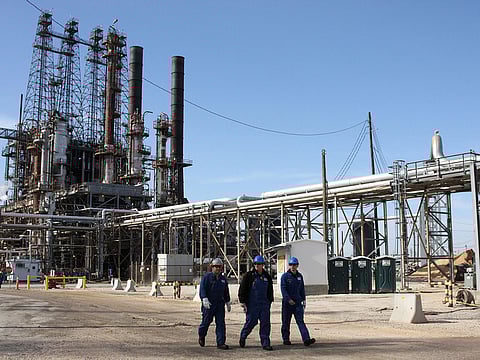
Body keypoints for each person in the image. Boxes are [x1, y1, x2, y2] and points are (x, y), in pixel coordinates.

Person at [238, 255, 274, 351]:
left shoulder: (267, 276)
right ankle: (243, 336)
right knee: (251, 322)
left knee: (265, 324)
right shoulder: (249, 276)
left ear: (263, 265)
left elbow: (270, 290)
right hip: (252, 304)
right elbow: (242, 289)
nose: (258, 266)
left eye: (260, 264)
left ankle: (265, 343)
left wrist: (270, 300)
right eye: (256, 264)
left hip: (264, 305)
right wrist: (242, 301)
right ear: (254, 265)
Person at [280, 256, 316, 346]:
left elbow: (302, 289)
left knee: (300, 321)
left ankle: (306, 339)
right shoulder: (285, 276)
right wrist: (288, 299)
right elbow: (283, 289)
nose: (293, 266)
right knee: (286, 322)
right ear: (289, 265)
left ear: (297, 265)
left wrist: (304, 300)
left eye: (294, 265)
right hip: (287, 304)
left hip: (297, 303)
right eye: (291, 265)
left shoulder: (300, 276)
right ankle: (286, 339)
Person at [198, 258, 231, 350]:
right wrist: (204, 298)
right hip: (209, 304)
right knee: (206, 322)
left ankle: (221, 342)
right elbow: (202, 289)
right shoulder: (207, 277)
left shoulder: (223, 279)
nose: (217, 268)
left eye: (219, 267)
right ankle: (202, 335)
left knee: (220, 323)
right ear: (211, 267)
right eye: (215, 267)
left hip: (219, 304)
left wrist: (227, 301)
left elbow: (225, 291)